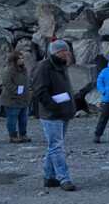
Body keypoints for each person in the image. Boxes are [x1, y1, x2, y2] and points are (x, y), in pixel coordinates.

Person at [30, 39, 76, 191]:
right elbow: (39, 91)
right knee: (57, 146)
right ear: (57, 52)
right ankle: (64, 178)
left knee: (54, 146)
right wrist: (53, 107)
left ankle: (49, 177)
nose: (68, 53)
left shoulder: (61, 66)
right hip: (52, 114)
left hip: (62, 112)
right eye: (65, 50)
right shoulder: (44, 67)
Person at [1, 51, 32, 143]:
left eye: (22, 58)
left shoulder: (23, 70)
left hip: (23, 99)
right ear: (14, 59)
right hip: (12, 99)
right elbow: (7, 83)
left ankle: (23, 134)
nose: (21, 60)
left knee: (24, 117)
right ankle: (13, 135)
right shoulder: (7, 70)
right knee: (12, 117)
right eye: (19, 58)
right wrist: (16, 91)